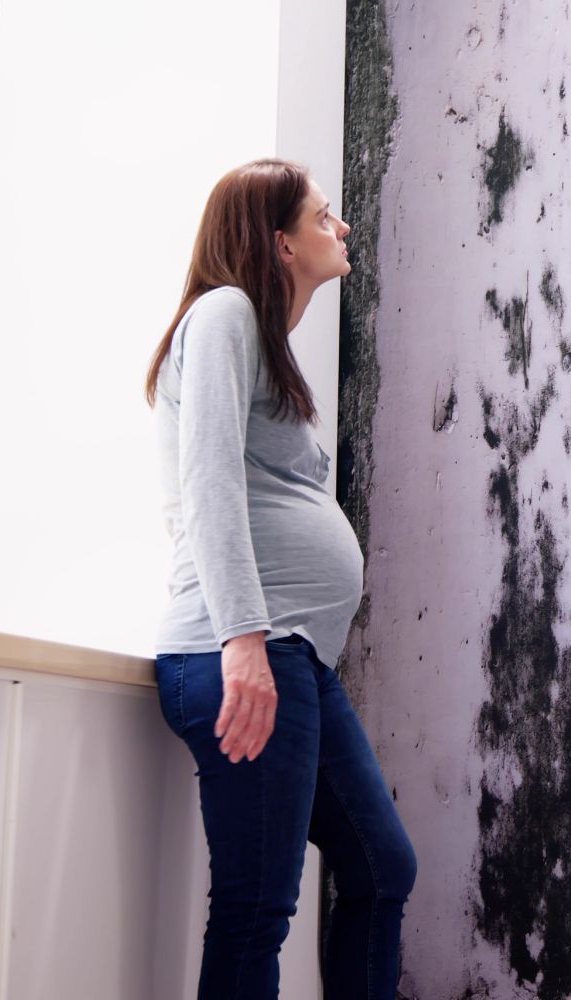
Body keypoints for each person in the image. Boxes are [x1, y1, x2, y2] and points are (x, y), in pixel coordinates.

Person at [146, 158, 415, 1000]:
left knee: (382, 866)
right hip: (244, 650)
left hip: (292, 654)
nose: (342, 229)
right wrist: (244, 641)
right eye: (324, 216)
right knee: (257, 908)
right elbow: (209, 487)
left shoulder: (265, 340)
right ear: (280, 242)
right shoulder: (224, 313)